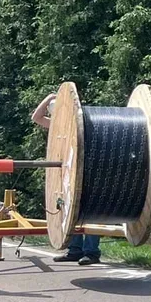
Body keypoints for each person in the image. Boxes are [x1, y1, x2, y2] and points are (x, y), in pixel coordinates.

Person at [32, 92, 100, 266]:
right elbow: (36, 117)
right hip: (68, 175)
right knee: (70, 211)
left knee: (89, 210)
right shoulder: (57, 127)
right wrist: (48, 98)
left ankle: (91, 252)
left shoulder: (83, 124)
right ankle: (75, 250)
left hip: (87, 172)